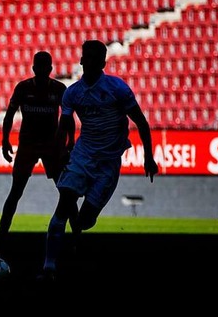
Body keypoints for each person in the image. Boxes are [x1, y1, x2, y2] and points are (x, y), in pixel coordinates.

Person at [38, 40, 159, 282]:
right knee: (64, 204)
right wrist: (60, 149)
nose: (89, 61)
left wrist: (148, 156)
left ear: (103, 62)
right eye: (86, 57)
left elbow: (142, 122)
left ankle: (76, 238)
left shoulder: (117, 89)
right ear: (81, 60)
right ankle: (49, 267)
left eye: (95, 57)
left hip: (108, 162)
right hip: (82, 156)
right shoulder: (72, 93)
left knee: (85, 220)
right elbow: (65, 123)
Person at [0, 51, 79, 253]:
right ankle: (1, 237)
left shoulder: (60, 89)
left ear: (50, 70)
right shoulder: (23, 88)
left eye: (45, 68)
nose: (42, 71)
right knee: (16, 191)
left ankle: (77, 237)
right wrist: (5, 140)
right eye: (39, 68)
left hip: (52, 146)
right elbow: (9, 115)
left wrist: (70, 142)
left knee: (66, 192)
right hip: (28, 146)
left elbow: (68, 117)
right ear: (34, 69)